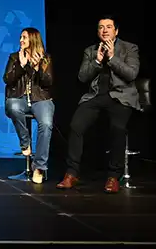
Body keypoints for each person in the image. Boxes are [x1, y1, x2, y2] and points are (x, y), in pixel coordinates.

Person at [57, 16, 140, 193]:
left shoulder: (129, 48)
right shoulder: (90, 50)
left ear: (116, 31)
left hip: (120, 97)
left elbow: (131, 74)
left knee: (118, 128)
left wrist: (112, 58)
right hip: (95, 96)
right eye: (101, 27)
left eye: (109, 27)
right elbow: (82, 77)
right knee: (76, 125)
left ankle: (113, 176)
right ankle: (71, 173)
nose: (105, 30)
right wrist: (97, 61)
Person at [3, 27, 54, 184]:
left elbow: (48, 82)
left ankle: (39, 167)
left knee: (46, 124)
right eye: (20, 37)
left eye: (24, 37)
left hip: (41, 99)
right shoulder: (14, 57)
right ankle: (25, 142)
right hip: (19, 98)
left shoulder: (45, 58)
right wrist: (21, 65)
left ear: (32, 39)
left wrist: (38, 68)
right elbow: (7, 79)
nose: (21, 40)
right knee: (12, 106)